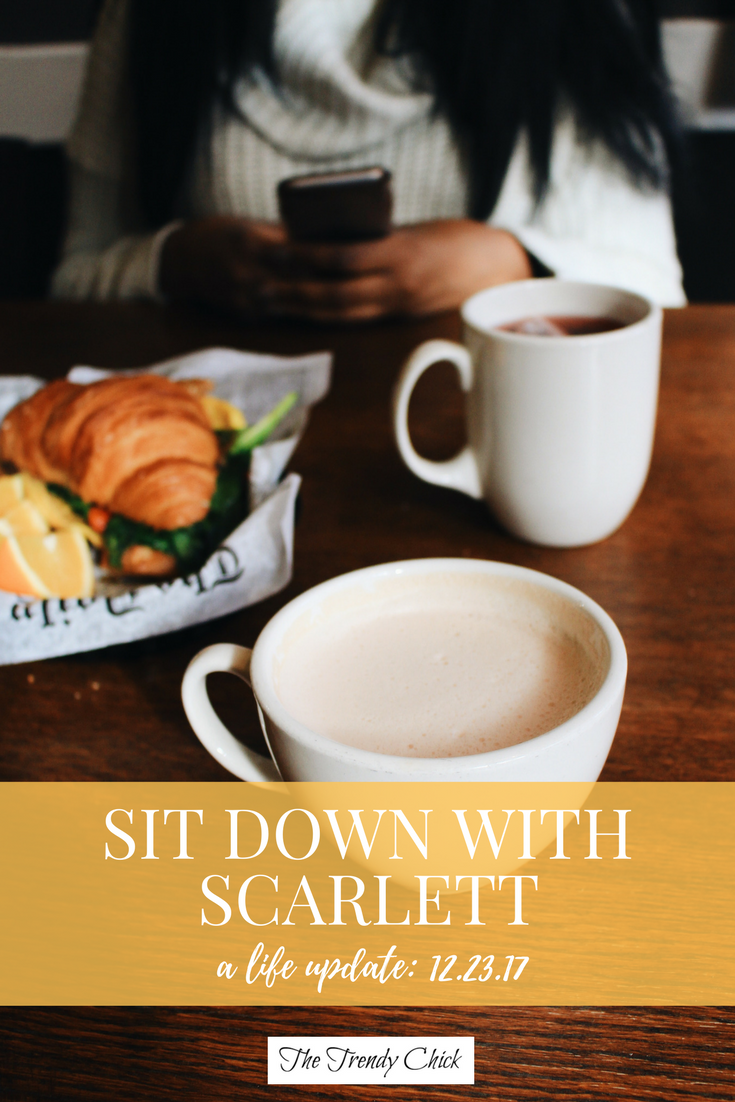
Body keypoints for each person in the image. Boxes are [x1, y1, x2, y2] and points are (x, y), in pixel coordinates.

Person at [52, 0, 686, 320]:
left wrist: (510, 266)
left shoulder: (582, 17)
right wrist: (173, 262)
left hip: (488, 432)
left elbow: (658, 295)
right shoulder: (147, 16)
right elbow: (73, 281)